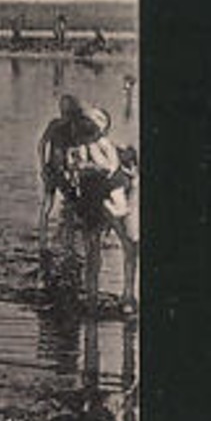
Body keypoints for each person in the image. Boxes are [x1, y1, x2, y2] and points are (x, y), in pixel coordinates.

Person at [66, 106, 138, 313]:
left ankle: (128, 295)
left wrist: (86, 167)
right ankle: (91, 297)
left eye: (96, 121)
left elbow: (109, 167)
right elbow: (72, 169)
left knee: (129, 243)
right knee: (92, 251)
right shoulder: (77, 147)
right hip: (91, 198)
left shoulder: (104, 144)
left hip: (109, 193)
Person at [36, 94, 86, 251]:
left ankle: (42, 238)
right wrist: (77, 172)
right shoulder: (74, 126)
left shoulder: (54, 124)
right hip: (65, 171)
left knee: (47, 204)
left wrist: (42, 166)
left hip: (51, 168)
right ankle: (68, 242)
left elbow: (41, 145)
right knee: (71, 205)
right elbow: (76, 152)